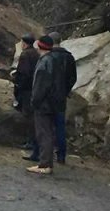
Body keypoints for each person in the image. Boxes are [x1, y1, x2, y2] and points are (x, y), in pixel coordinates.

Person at [27, 32, 77, 174]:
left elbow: (41, 85)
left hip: (44, 103)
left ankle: (44, 163)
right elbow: (70, 79)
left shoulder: (45, 62)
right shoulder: (61, 59)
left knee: (44, 132)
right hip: (58, 101)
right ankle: (58, 157)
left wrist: (34, 101)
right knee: (55, 130)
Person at [13, 34, 40, 161]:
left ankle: (31, 141)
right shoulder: (36, 53)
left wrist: (17, 84)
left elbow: (24, 73)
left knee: (28, 115)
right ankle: (32, 140)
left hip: (26, 89)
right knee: (33, 116)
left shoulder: (25, 55)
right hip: (35, 87)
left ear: (24, 43)